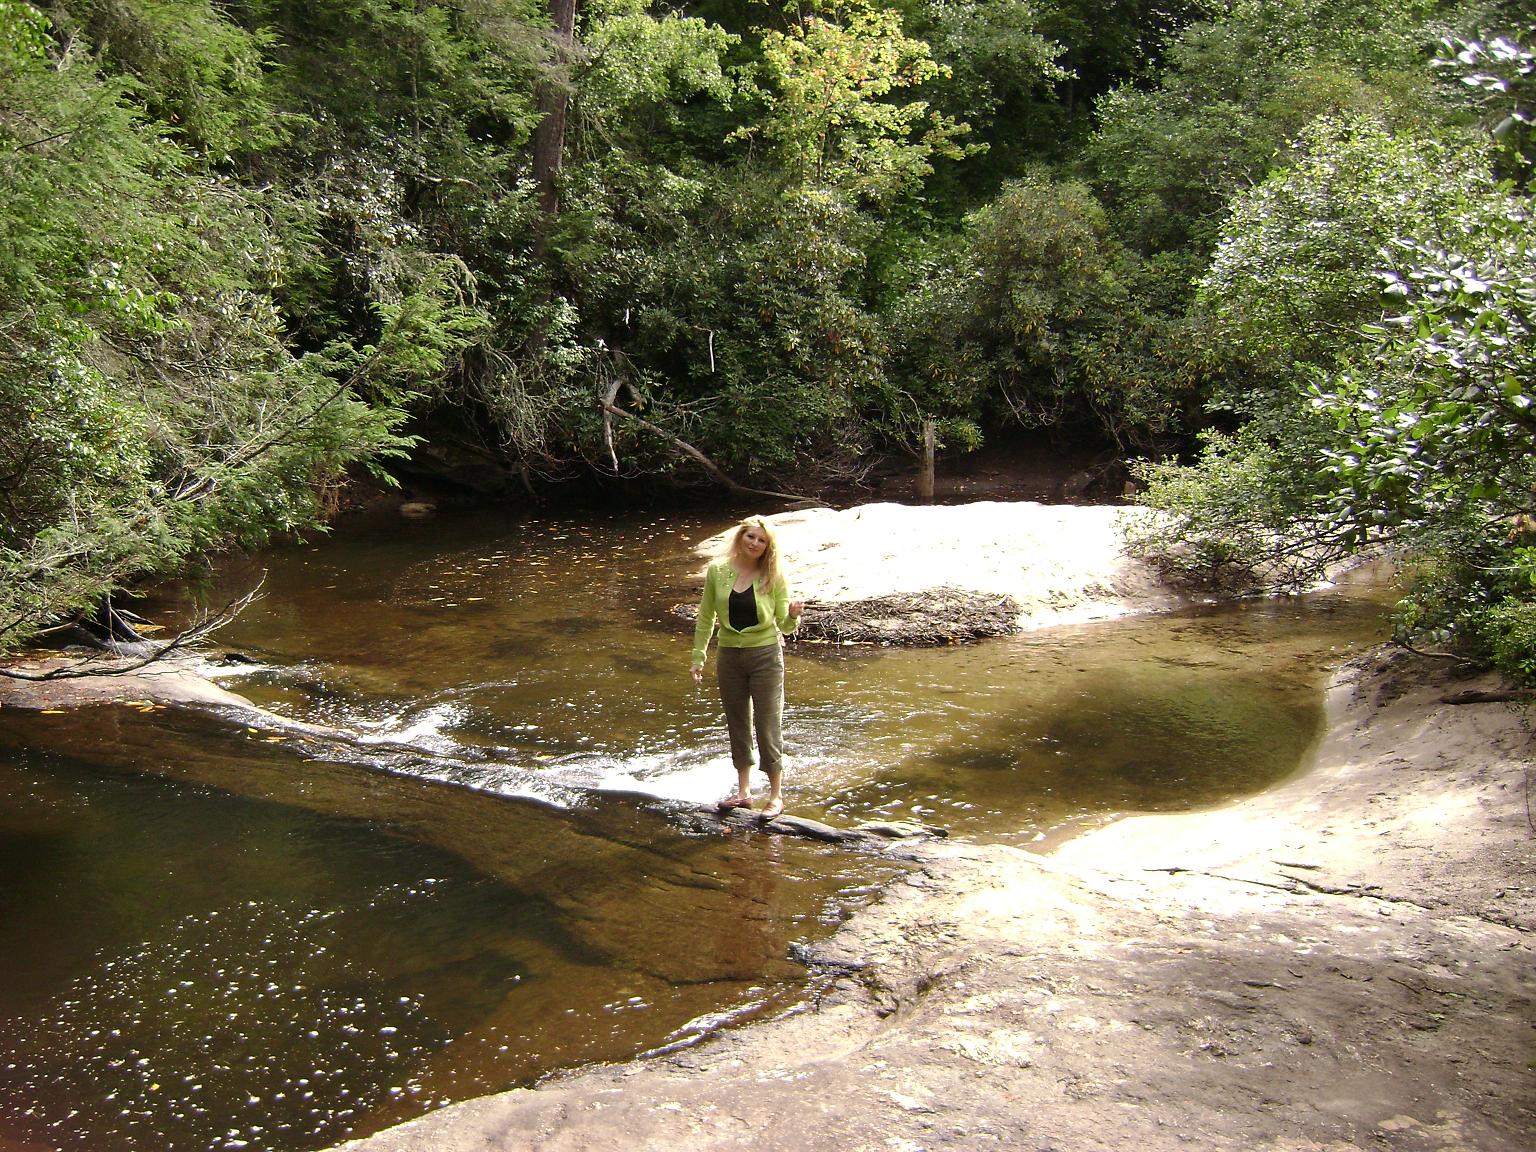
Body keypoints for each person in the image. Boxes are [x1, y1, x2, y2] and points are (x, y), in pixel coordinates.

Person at [691, 518, 804, 819]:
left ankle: (776, 796)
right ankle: (744, 792)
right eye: (751, 537)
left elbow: (784, 625)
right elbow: (706, 616)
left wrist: (794, 616)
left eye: (761, 540)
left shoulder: (773, 575)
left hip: (765, 655)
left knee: (768, 724)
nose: (755, 543)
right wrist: (698, 656)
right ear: (741, 537)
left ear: (768, 547)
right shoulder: (718, 570)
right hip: (728, 654)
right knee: (737, 722)